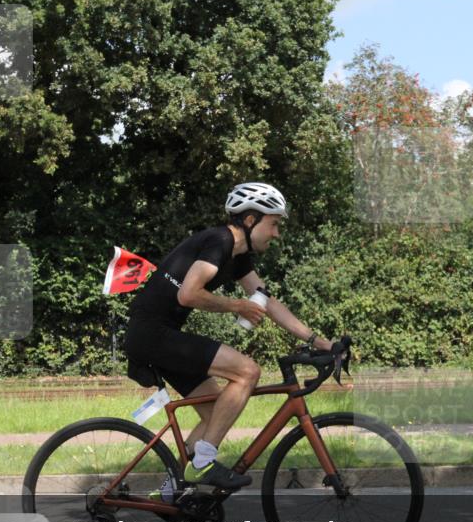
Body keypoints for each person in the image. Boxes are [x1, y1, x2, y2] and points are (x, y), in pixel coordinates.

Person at [123, 182, 333, 490]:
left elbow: (268, 302)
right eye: (273, 224)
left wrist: (319, 341)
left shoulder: (239, 256)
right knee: (247, 371)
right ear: (250, 220)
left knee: (216, 416)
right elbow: (188, 293)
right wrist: (238, 306)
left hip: (161, 337)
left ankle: (172, 495)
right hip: (152, 335)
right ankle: (203, 463)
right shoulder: (219, 241)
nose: (276, 233)